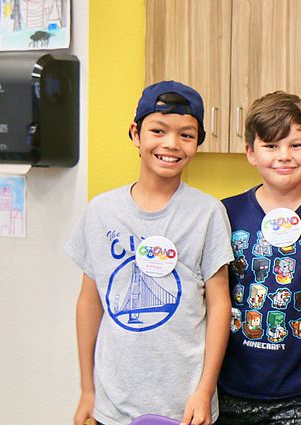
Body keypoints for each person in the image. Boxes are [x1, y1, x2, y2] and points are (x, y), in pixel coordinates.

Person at [66, 81, 233, 425]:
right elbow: (90, 302)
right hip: (113, 403)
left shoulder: (207, 213)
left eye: (186, 135)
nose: (171, 144)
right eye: (158, 130)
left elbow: (219, 306)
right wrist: (87, 389)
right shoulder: (101, 211)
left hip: (184, 403)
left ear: (198, 143)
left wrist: (204, 390)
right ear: (135, 134)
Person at [216, 91, 301, 424]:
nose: (284, 156)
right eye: (271, 146)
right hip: (232, 390)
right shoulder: (224, 213)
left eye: (296, 145)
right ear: (250, 152)